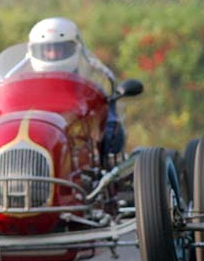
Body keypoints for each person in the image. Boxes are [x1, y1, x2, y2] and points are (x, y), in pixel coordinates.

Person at [23, 17, 127, 159]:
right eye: (47, 50)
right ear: (33, 50)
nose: (53, 55)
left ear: (74, 48)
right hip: (34, 152)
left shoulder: (92, 82)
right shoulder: (24, 86)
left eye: (60, 49)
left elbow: (111, 129)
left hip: (80, 156)